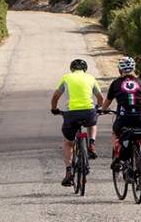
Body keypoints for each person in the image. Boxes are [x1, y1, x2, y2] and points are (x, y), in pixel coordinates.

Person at [50, 58, 104, 187]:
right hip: (89, 112)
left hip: (72, 114)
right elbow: (100, 98)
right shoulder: (91, 78)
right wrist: (99, 108)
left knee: (68, 142)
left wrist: (54, 109)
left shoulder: (66, 78)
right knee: (92, 123)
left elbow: (55, 96)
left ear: (72, 69)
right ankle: (91, 143)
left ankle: (69, 172)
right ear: (85, 69)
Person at [100, 56, 141, 170]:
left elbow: (107, 101)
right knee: (139, 134)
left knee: (115, 133)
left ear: (119, 70)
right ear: (134, 68)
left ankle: (117, 156)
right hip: (140, 117)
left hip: (124, 116)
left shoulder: (116, 83)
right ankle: (139, 155)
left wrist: (103, 110)